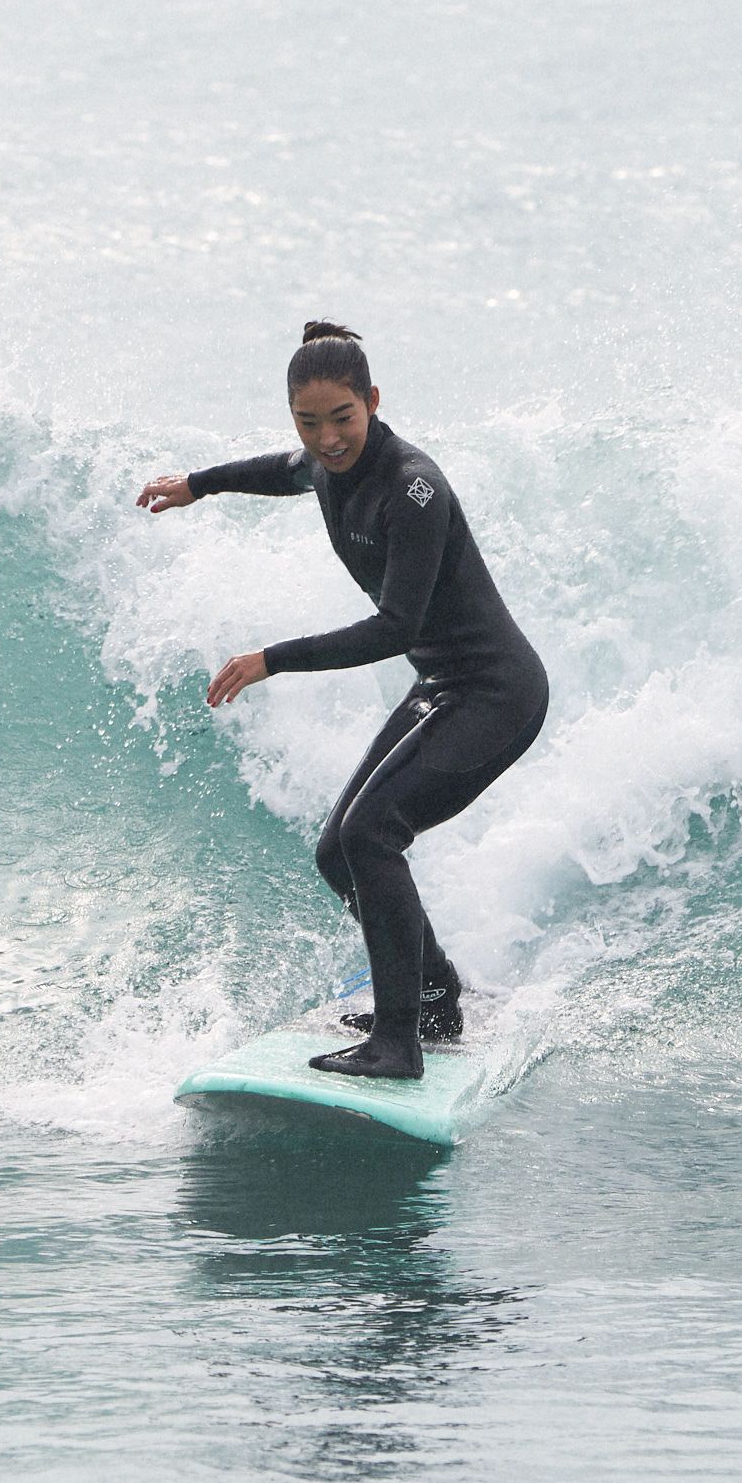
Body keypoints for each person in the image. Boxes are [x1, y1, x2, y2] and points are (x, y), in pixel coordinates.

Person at [136, 322, 551, 1082]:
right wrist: (198, 484)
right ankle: (432, 997)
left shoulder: (413, 489)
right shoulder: (325, 464)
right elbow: (284, 470)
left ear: (374, 402)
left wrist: (273, 660)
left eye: (343, 419)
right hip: (444, 688)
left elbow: (398, 627)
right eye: (308, 421)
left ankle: (399, 1043)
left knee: (373, 834)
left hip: (496, 693)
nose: (327, 439)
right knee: (340, 853)